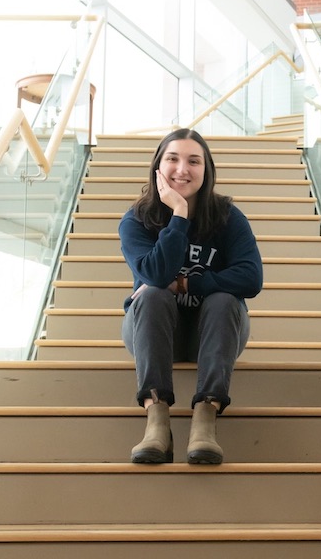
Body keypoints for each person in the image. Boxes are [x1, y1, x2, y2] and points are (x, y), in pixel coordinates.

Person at [119, 128, 263, 465]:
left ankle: (205, 421)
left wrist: (186, 284)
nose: (182, 169)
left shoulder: (227, 218)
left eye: (193, 161)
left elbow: (251, 278)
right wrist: (179, 214)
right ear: (158, 167)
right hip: (153, 331)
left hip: (214, 333)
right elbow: (154, 276)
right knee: (153, 294)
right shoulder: (137, 219)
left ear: (206, 170)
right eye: (173, 158)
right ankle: (157, 422)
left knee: (225, 299)